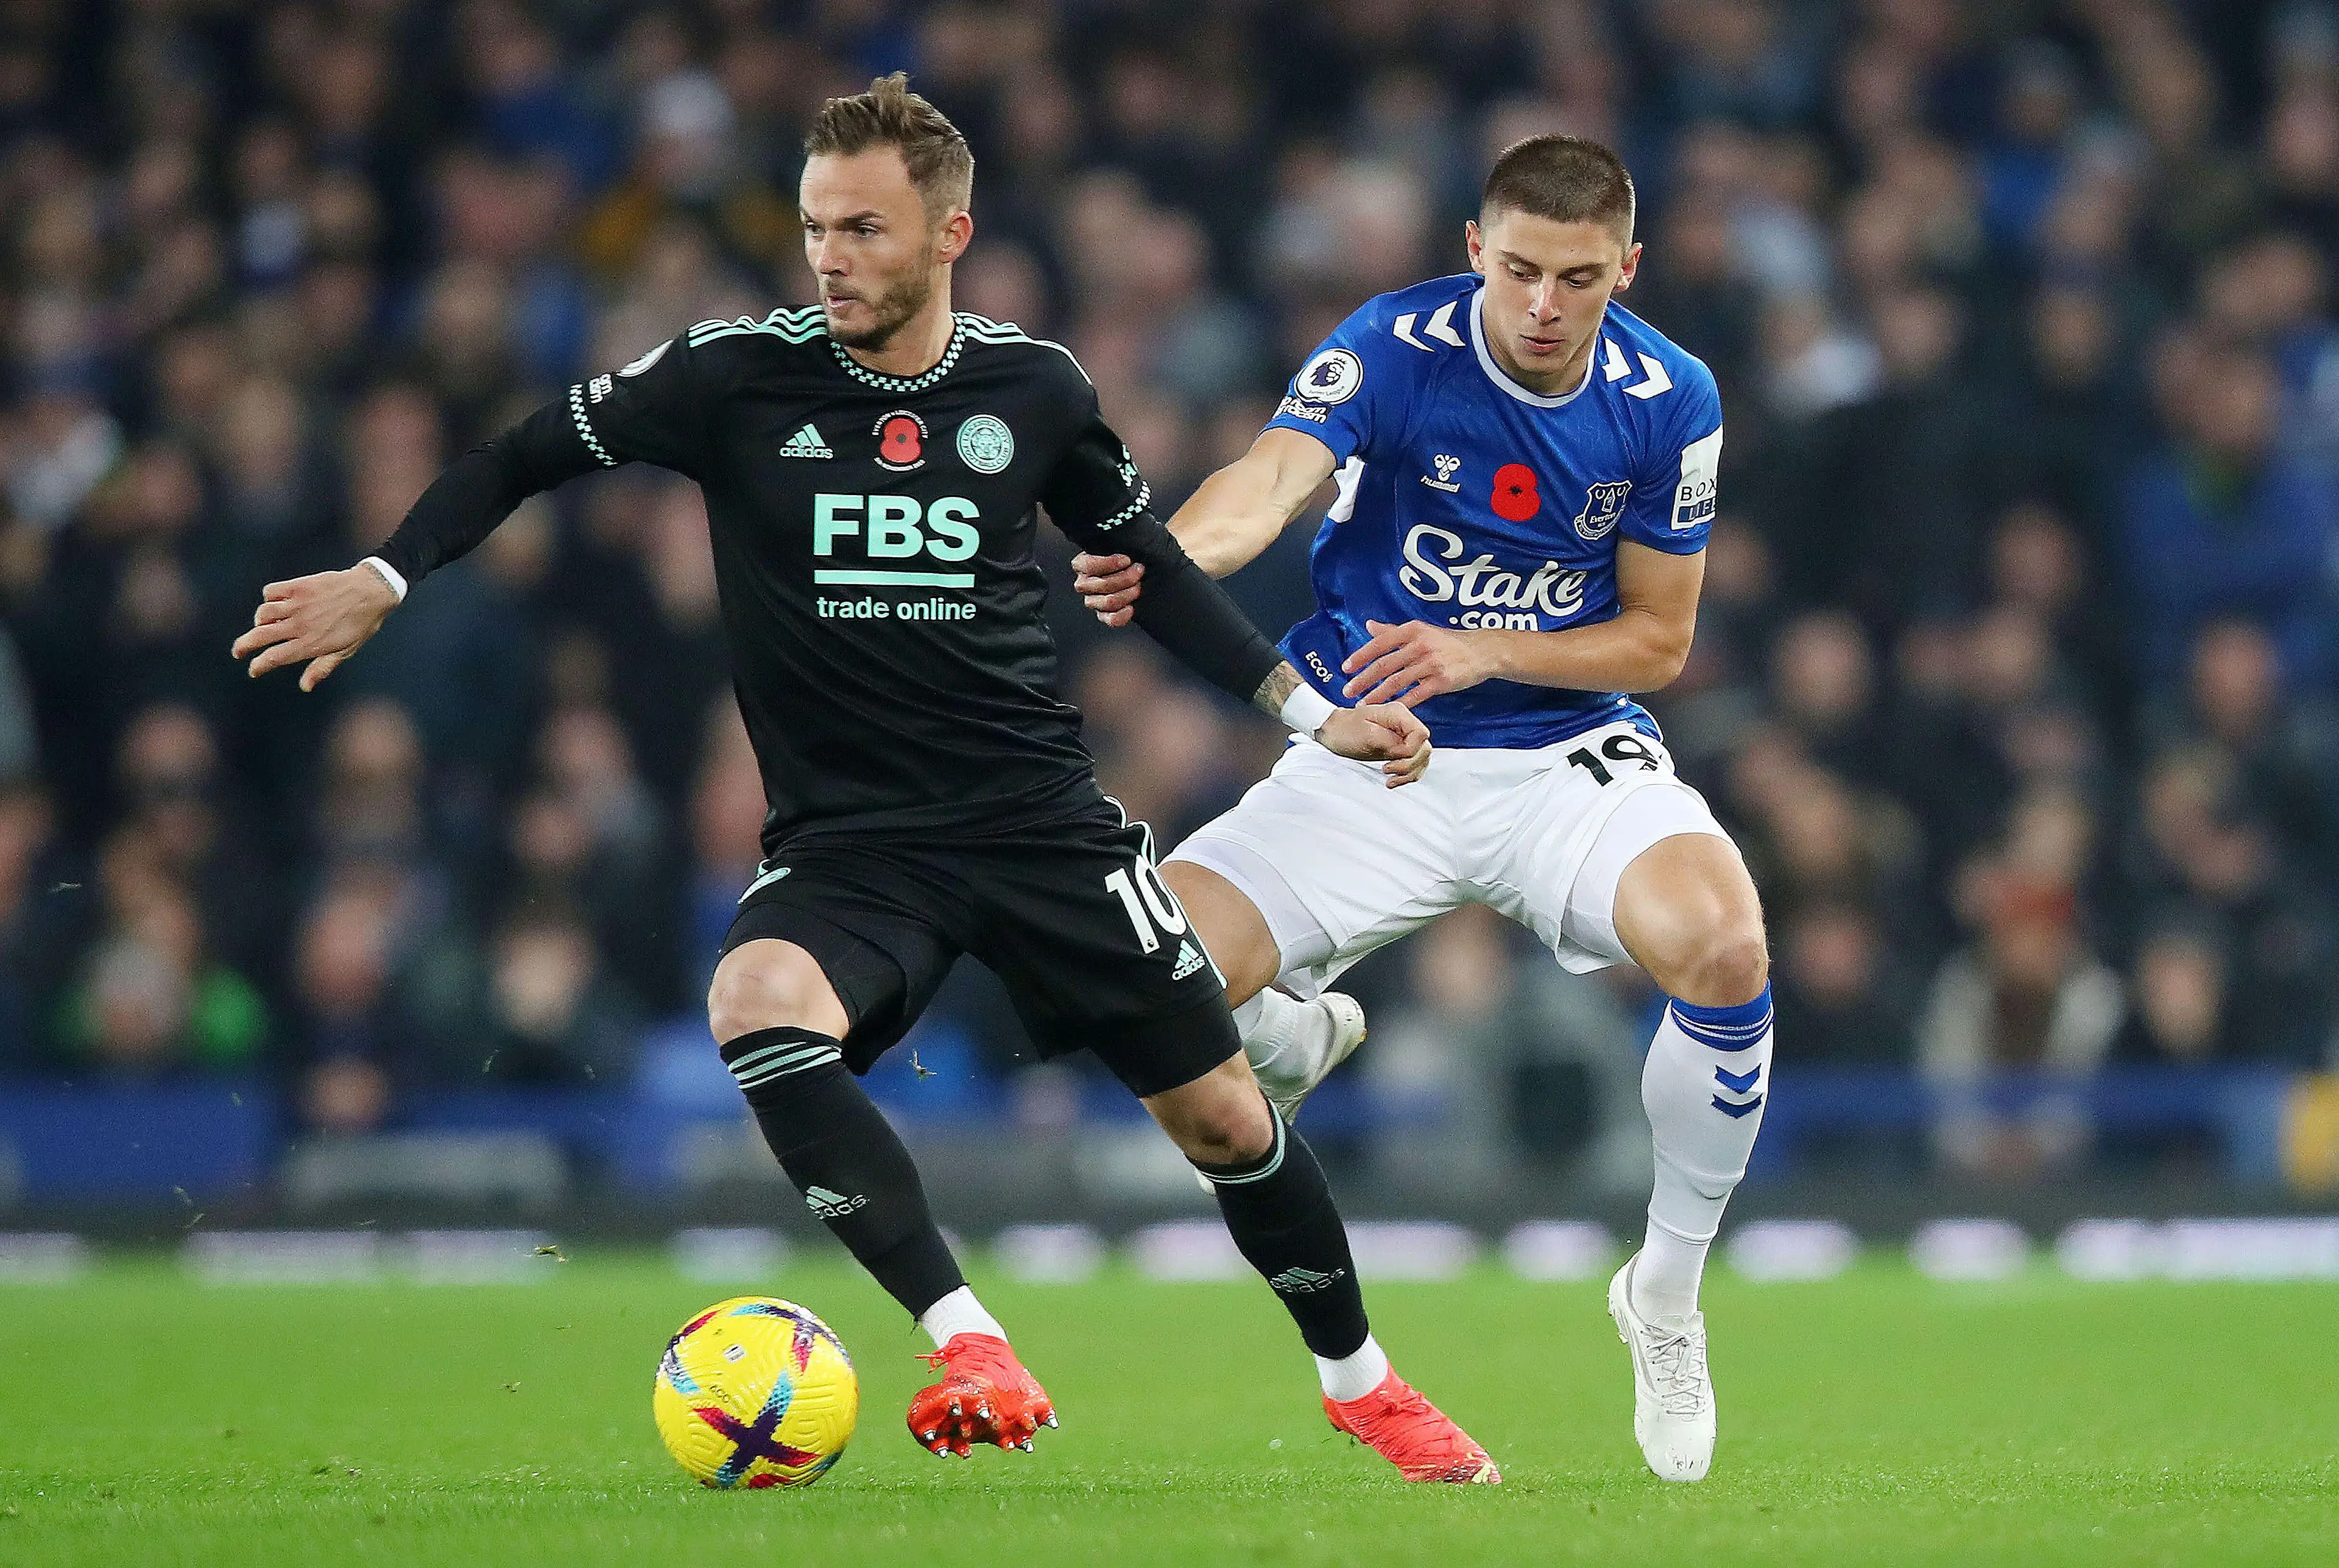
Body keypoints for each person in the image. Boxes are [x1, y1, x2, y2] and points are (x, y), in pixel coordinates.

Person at [233, 74, 1495, 1485]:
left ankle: (1363, 1384)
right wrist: (386, 573)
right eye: (817, 227)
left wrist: (1306, 713)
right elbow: (523, 452)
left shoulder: (1036, 388)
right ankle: (968, 1340)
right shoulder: (731, 376)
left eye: (864, 230)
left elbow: (1148, 569)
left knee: (1219, 1120)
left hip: (1037, 823)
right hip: (853, 844)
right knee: (756, 1004)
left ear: (950, 236)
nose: (830, 257)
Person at [1074, 134, 1765, 1483]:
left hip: (1562, 757)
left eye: (1579, 279)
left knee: (1726, 946)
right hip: (1368, 754)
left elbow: (1659, 640)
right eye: (1521, 271)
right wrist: (1163, 554)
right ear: (1474, 250)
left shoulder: (1670, 395)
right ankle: (1288, 1037)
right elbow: (1271, 481)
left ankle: (1665, 1296)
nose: (1545, 306)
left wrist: (1484, 649)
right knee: (1140, 976)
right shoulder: (1394, 346)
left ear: (1628, 268)